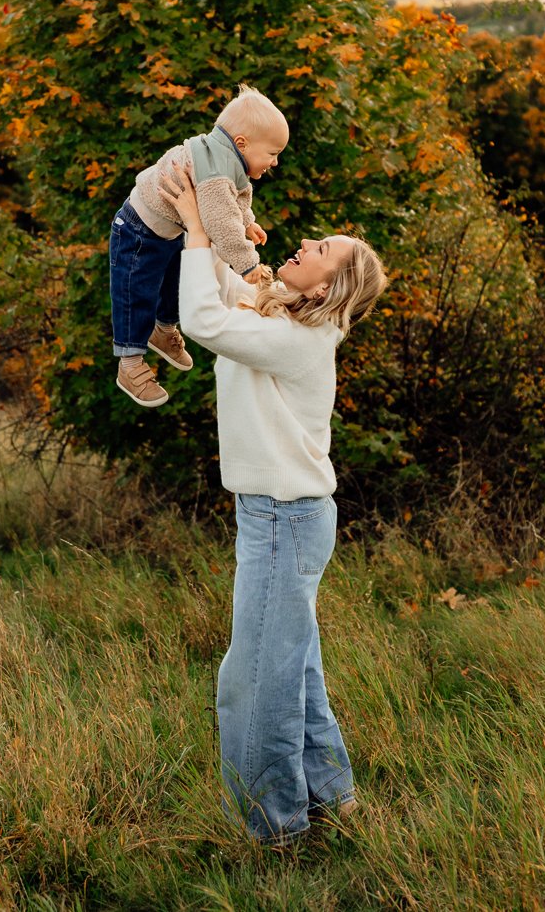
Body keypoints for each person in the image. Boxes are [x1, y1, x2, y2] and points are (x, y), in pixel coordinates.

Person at [162, 164, 389, 846]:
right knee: (294, 666)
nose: (307, 245)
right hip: (281, 517)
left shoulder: (297, 338)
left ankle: (275, 830)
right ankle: (332, 795)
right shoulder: (278, 311)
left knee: (255, 680)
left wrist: (200, 230)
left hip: (285, 520)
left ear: (327, 286)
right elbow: (230, 286)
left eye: (322, 249)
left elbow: (203, 318)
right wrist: (220, 212)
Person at [108, 85, 288, 408]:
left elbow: (237, 199)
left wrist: (247, 221)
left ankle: (163, 330)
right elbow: (220, 222)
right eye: (272, 154)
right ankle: (130, 363)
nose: (274, 163)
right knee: (136, 292)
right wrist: (248, 264)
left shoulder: (229, 160)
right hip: (138, 229)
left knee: (177, 283)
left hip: (169, 230)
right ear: (243, 144)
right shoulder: (215, 171)